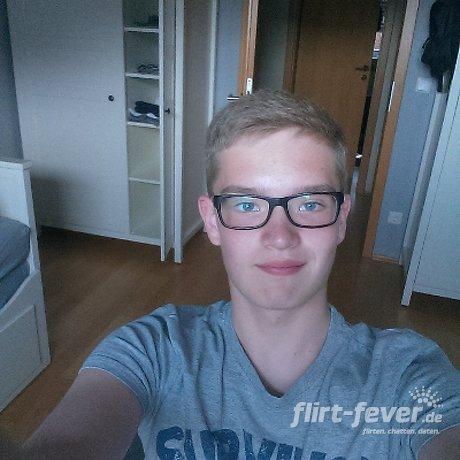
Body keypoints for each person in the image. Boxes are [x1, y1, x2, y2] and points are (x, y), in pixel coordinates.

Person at [17, 91, 460, 459]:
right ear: (212, 221)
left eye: (309, 204)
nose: (280, 236)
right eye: (247, 205)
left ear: (342, 218)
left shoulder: (408, 374)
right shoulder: (153, 349)